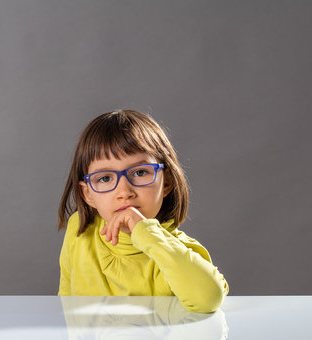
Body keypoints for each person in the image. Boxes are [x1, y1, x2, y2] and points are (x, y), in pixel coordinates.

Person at [57, 110, 228, 313]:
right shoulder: (79, 229)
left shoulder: (176, 250)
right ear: (88, 194)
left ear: (166, 182)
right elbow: (66, 304)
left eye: (140, 172)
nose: (124, 192)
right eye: (105, 178)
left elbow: (208, 299)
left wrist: (146, 234)